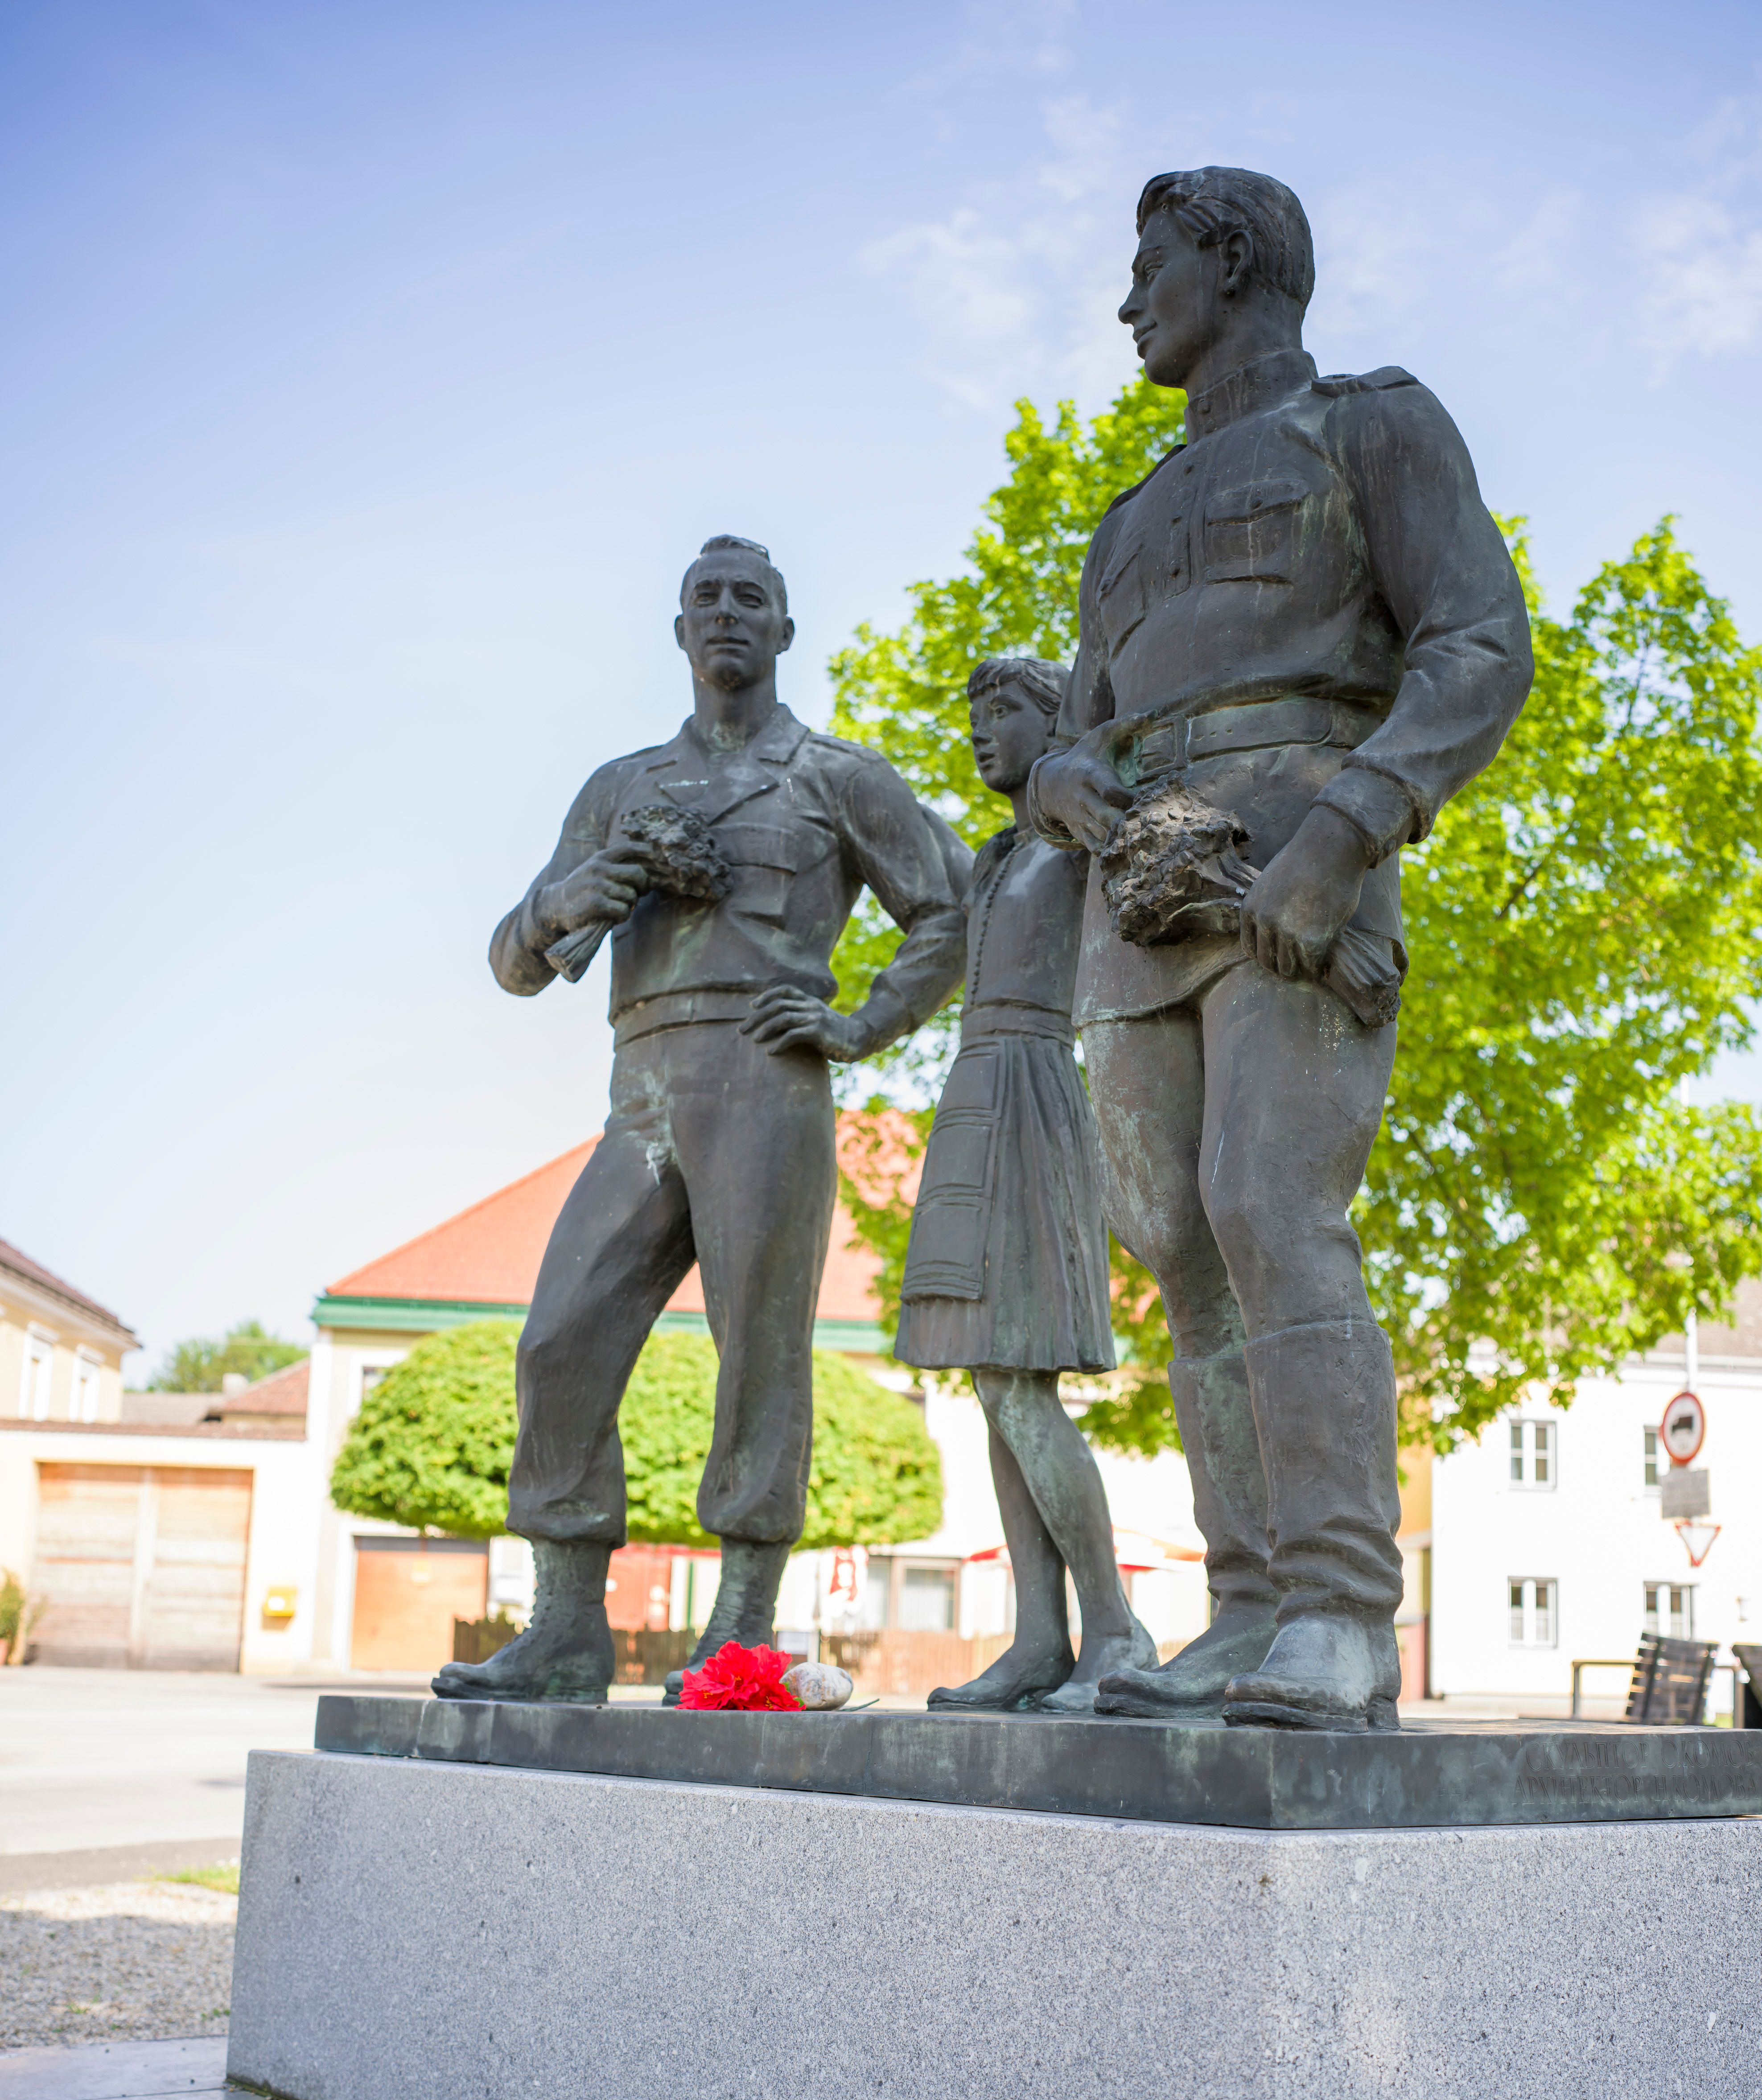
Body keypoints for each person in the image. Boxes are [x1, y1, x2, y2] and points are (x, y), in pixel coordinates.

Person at [1026, 169, 1534, 1729]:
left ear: (1230, 262)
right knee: (1178, 1239)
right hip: (1140, 896)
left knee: (1268, 1202)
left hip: (1297, 852)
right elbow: (1092, 725)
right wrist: (1059, 775)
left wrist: (1347, 834)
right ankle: (1244, 1610)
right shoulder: (1124, 522)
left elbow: (1477, 642)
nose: (1127, 305)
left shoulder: (1367, 426)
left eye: (1150, 269)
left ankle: (1338, 1610)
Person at [434, 536, 965, 1703]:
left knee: (759, 1353)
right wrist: (566, 899)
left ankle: (740, 1629)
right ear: (680, 634)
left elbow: (946, 911)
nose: (727, 615)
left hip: (765, 1077)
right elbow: (513, 964)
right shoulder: (620, 787)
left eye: (752, 601)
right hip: (641, 1084)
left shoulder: (837, 777)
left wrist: (864, 1022)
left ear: (783, 632)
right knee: (561, 1335)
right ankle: (568, 1625)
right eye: (705, 600)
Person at [895, 658, 1157, 1716]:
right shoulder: (997, 856)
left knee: (1018, 1377)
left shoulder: (1071, 824)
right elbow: (931, 969)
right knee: (989, 1377)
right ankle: (1042, 1638)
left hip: (1036, 1088)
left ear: (1055, 723)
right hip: (976, 1090)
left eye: (1002, 710)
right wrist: (851, 1028)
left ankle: (1115, 1630)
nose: (978, 731)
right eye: (972, 714)